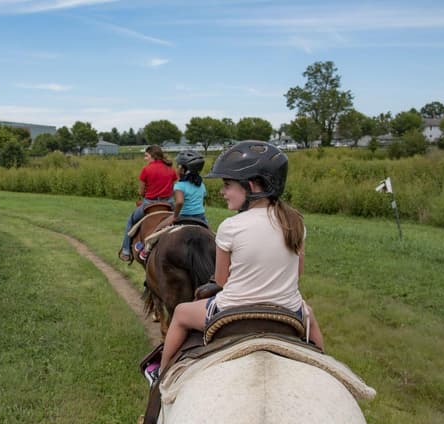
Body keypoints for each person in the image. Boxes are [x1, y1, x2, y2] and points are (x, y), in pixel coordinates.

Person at [157, 140, 324, 373]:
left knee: (181, 312)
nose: (222, 192)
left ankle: (162, 375)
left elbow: (222, 280)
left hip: (233, 309)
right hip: (289, 309)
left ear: (253, 186)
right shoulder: (295, 222)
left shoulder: (231, 226)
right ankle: (323, 366)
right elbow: (298, 273)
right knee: (312, 323)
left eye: (227, 185)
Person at [138, 150, 208, 261]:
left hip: (184, 216)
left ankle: (145, 250)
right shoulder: (201, 185)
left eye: (179, 166)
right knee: (211, 235)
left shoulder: (180, 186)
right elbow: (203, 199)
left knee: (159, 228)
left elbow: (179, 202)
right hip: (201, 217)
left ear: (184, 170)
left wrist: (175, 215)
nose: (177, 168)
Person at [119, 145, 178, 262]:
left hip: (150, 203)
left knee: (131, 221)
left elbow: (141, 191)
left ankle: (126, 251)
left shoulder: (146, 170)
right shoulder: (171, 170)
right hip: (169, 203)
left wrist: (146, 192)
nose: (145, 158)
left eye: (146, 156)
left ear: (153, 156)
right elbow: (175, 187)